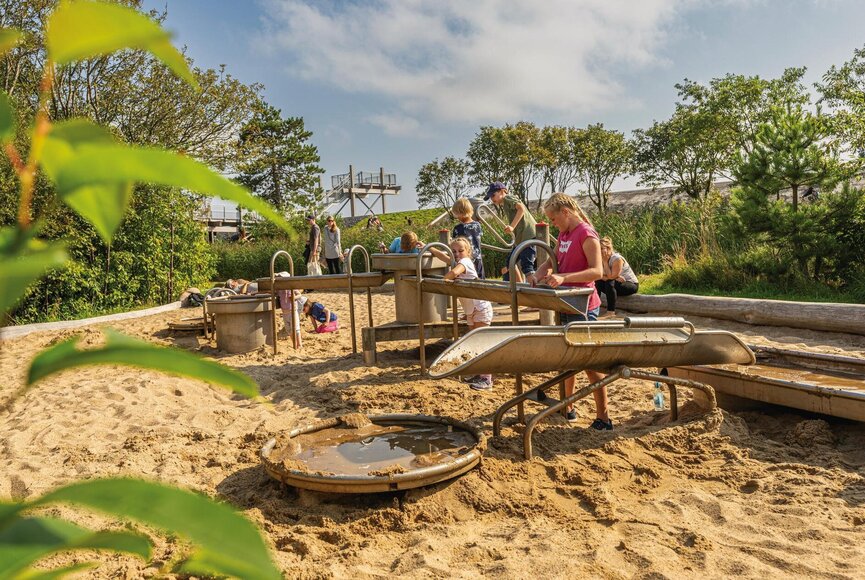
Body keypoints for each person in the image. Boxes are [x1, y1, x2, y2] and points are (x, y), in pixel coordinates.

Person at [529, 192, 609, 430]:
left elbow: (597, 272)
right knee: (567, 359)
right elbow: (552, 261)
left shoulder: (586, 234)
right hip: (565, 302)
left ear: (565, 212)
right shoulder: (564, 234)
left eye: (553, 219)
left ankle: (603, 417)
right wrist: (538, 273)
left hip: (583, 305)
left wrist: (564, 278)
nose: (553, 224)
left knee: (589, 363)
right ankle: (568, 406)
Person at [429, 237, 494, 391]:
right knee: (473, 343)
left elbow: (454, 272)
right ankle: (479, 374)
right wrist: (430, 248)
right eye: (454, 251)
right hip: (471, 310)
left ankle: (487, 379)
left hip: (480, 308)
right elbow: (445, 258)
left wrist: (445, 280)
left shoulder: (465, 262)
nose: (457, 254)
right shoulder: (457, 261)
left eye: (460, 250)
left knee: (481, 343)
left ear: (468, 252)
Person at [485, 182, 536, 283]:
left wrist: (512, 226)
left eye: (493, 195)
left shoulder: (508, 198)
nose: (492, 199)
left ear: (502, 191)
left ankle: (534, 286)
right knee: (509, 263)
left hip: (528, 236)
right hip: (520, 238)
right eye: (490, 197)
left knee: (526, 265)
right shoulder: (505, 204)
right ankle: (518, 286)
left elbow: (521, 208)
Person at [595, 237, 639, 317]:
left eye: (602, 248)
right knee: (597, 282)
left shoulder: (617, 258)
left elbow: (610, 276)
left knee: (609, 282)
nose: (600, 251)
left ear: (608, 248)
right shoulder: (599, 259)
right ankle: (594, 309)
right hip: (616, 283)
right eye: (598, 249)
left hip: (630, 284)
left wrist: (605, 263)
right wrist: (614, 277)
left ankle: (611, 312)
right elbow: (598, 274)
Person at [451, 197, 485, 279]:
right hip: (478, 259)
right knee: (481, 282)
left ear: (459, 212)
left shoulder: (458, 228)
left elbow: (455, 244)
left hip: (466, 261)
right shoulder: (478, 225)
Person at [275, 271, 302, 347]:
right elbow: (274, 292)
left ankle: (299, 344)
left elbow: (299, 294)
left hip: (292, 310)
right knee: (288, 329)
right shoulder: (279, 289)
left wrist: (294, 297)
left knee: (296, 328)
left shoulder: (291, 288)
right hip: (284, 312)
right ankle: (294, 343)